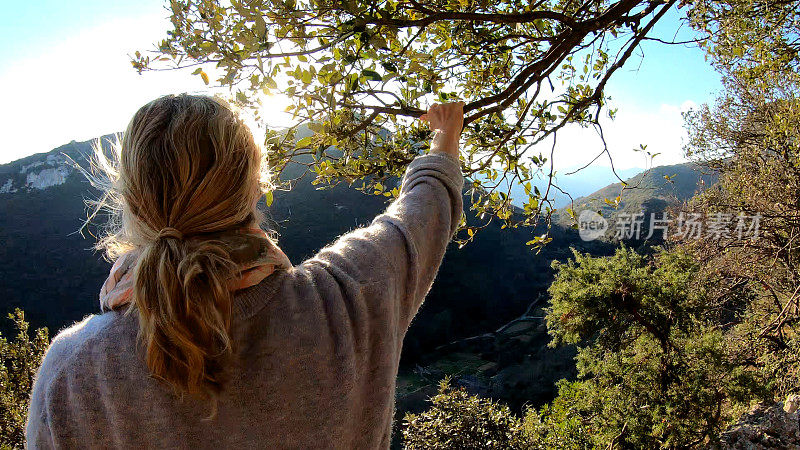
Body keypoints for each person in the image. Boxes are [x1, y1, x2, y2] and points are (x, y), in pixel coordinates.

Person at [25, 94, 465, 449]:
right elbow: (418, 216)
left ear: (130, 200)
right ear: (256, 187)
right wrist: (445, 137)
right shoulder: (345, 299)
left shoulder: (72, 372)